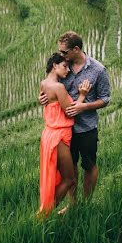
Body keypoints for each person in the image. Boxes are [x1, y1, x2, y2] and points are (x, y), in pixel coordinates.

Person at [40, 30, 111, 205]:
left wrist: (84, 105)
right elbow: (51, 86)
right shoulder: (64, 66)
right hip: (65, 131)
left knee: (88, 165)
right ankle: (73, 205)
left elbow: (105, 99)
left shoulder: (98, 70)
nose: (61, 54)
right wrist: (43, 97)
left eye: (64, 51)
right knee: (70, 169)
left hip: (86, 128)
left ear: (76, 49)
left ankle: (86, 204)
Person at [38, 52, 87, 216]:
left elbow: (48, 104)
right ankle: (44, 214)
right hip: (58, 136)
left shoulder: (43, 83)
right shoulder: (58, 87)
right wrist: (82, 96)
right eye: (65, 66)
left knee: (61, 176)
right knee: (69, 179)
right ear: (55, 65)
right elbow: (70, 112)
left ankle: (46, 212)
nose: (68, 70)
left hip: (49, 134)